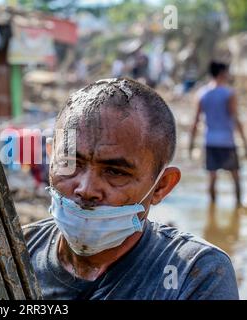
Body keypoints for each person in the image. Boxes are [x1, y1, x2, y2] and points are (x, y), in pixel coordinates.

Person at [23, 78, 239, 300]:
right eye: (70, 163)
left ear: (161, 186)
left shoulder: (195, 274)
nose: (86, 189)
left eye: (115, 172)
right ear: (51, 158)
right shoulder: (15, 251)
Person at [189, 61, 247, 207]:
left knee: (212, 178)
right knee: (235, 177)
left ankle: (212, 208)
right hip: (227, 141)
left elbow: (195, 121)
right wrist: (244, 141)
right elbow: (235, 118)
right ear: (222, 73)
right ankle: (238, 206)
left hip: (210, 140)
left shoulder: (202, 93)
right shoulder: (229, 93)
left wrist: (191, 143)